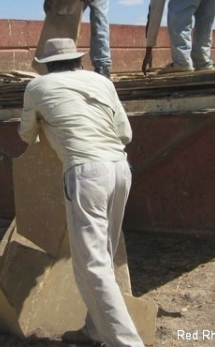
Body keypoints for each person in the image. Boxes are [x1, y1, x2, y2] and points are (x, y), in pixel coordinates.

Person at [18, 38, 143, 346]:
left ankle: (126, 343)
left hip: (86, 174)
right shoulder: (101, 82)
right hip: (119, 168)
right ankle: (94, 330)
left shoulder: (37, 88)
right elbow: (125, 133)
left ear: (47, 64)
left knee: (93, 265)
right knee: (105, 257)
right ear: (78, 60)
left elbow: (25, 134)